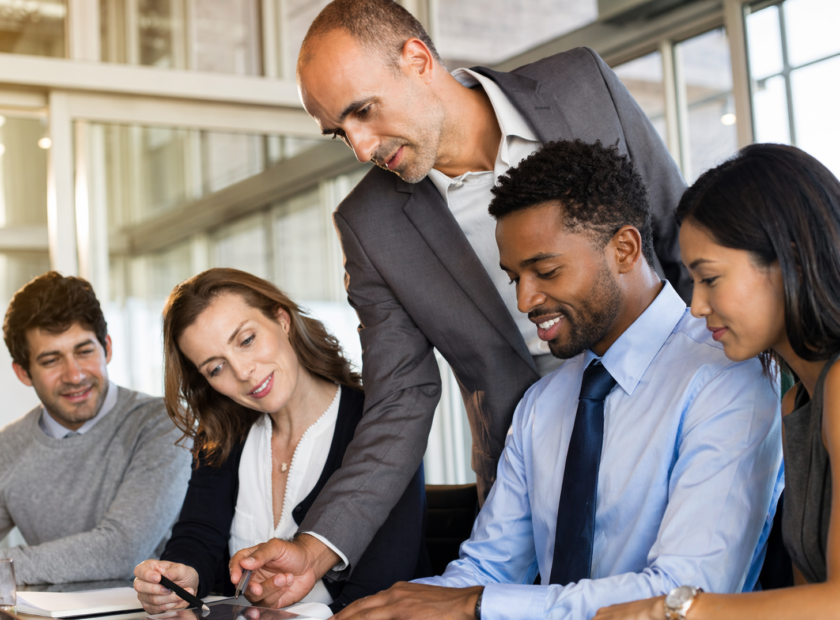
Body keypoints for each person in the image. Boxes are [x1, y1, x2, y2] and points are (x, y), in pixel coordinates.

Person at [232, 0, 693, 606]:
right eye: (339, 131)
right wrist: (315, 548)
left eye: (363, 111)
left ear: (418, 60)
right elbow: (401, 397)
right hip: (533, 478)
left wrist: (725, 392)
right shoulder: (370, 225)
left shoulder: (581, 86)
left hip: (673, 422)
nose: (360, 146)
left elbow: (679, 242)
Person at [328, 139, 784, 620]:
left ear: (624, 249)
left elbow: (684, 592)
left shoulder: (726, 378)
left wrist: (475, 603)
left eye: (545, 271)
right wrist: (386, 609)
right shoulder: (543, 404)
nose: (525, 301)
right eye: (514, 278)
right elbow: (487, 569)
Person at [593, 144, 840, 619]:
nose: (696, 306)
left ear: (789, 260)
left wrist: (672, 610)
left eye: (710, 278)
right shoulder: (797, 401)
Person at [132, 268, 430, 615]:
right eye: (216, 368)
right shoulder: (222, 433)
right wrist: (182, 574)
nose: (243, 372)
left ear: (282, 319)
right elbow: (199, 533)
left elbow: (383, 583)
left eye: (246, 340)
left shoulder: (380, 421)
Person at [0, 272, 190, 584]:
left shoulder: (163, 423)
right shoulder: (8, 448)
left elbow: (123, 550)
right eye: (51, 360)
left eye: (84, 351)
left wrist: (8, 568)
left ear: (107, 349)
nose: (74, 375)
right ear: (23, 373)